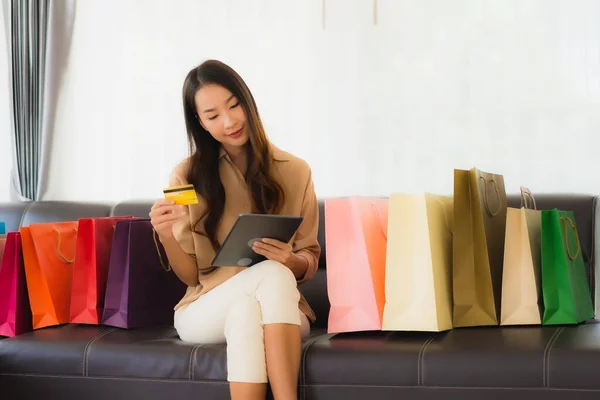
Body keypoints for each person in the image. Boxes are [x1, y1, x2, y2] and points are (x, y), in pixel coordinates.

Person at [149, 59, 320, 400]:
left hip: (281, 306)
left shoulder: (297, 171)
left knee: (249, 309)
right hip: (204, 308)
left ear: (247, 100)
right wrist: (166, 236)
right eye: (213, 116)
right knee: (270, 275)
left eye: (234, 105)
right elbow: (191, 278)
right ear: (200, 122)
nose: (229, 122)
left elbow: (310, 256)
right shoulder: (185, 177)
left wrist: (291, 260)